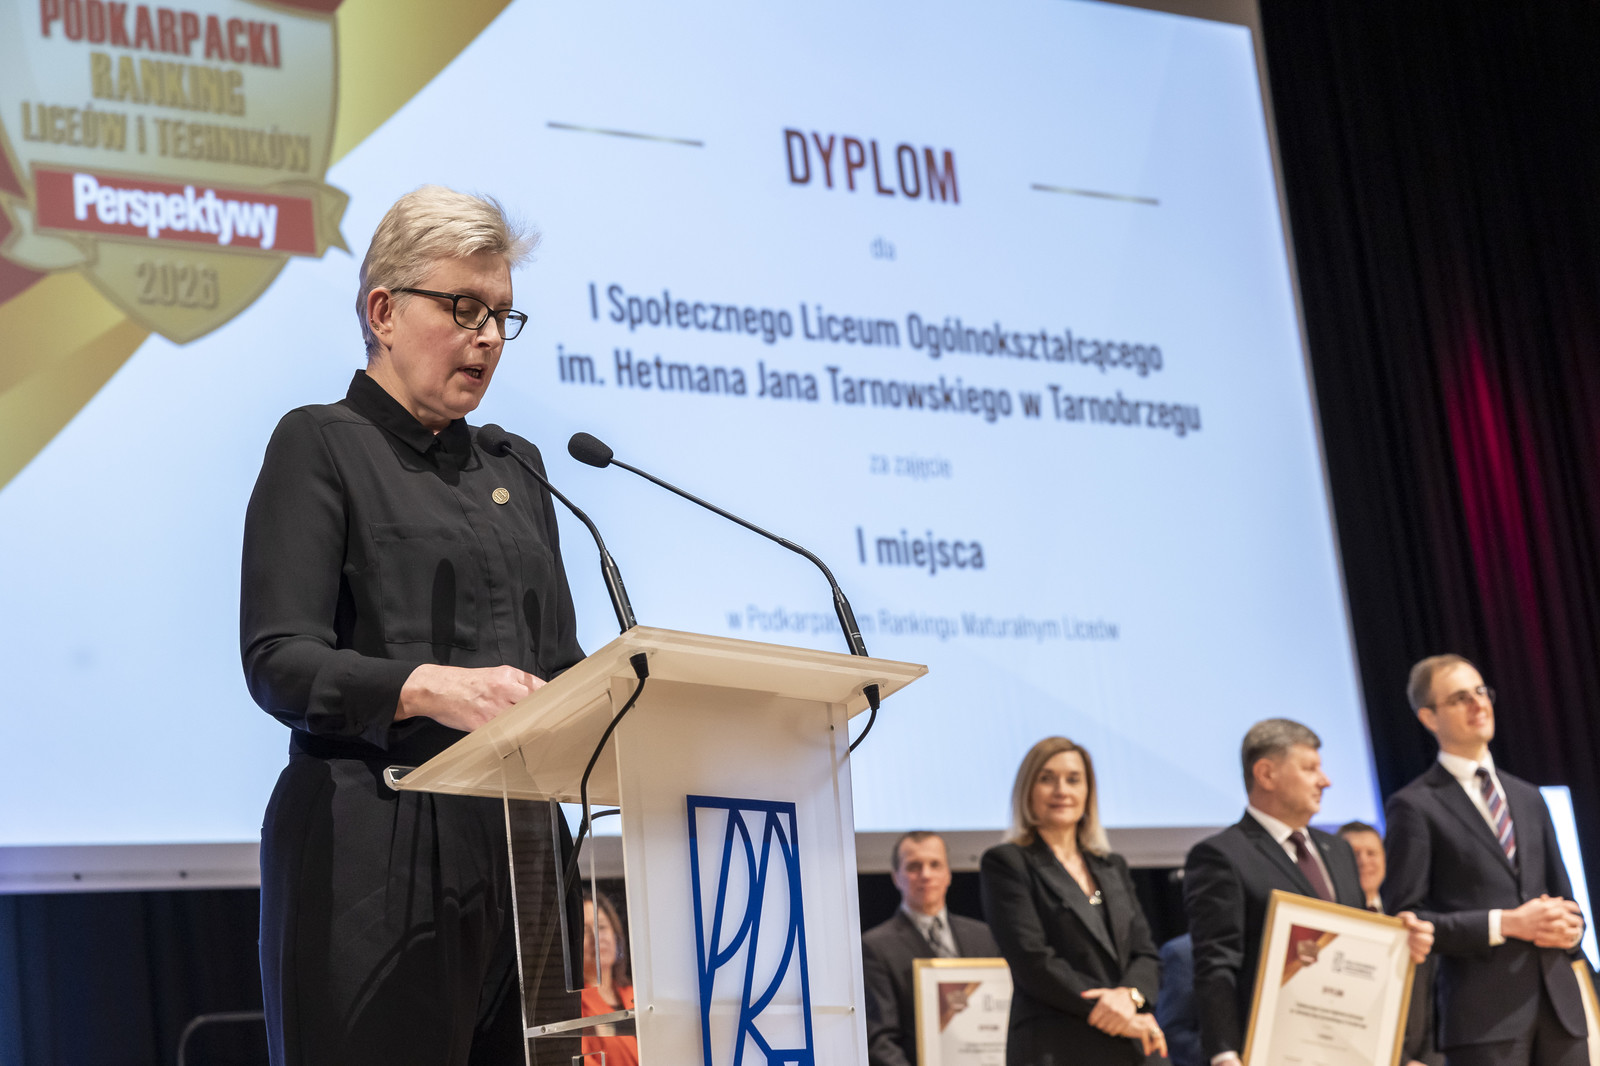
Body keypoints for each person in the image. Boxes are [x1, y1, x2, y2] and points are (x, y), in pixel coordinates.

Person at [242, 185, 583, 1066]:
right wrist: (424, 687)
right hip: (373, 853)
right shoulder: (320, 444)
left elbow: (561, 666)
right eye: (465, 308)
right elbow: (279, 660)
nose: (489, 336)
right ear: (383, 311)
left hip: (528, 865)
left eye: (502, 315)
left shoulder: (518, 469)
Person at [1184, 719, 1434, 1065]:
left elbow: (1355, 955)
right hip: (1271, 1053)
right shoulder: (1222, 855)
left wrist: (1402, 941)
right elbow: (1216, 964)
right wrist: (1225, 1055)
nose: (1325, 780)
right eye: (1310, 768)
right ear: (1266, 774)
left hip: (1348, 1050)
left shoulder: (1339, 851)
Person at [1384, 654, 1588, 1066]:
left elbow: (1564, 897)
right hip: (1483, 1020)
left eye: (1481, 691)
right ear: (1428, 717)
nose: (1478, 704)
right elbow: (1405, 918)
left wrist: (1572, 928)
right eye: (1460, 698)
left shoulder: (1528, 797)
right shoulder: (1415, 806)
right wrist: (1505, 923)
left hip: (1560, 1011)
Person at [981, 737, 1167, 1065]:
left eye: (1073, 779)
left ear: (1087, 792)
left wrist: (1130, 996)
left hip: (1132, 1042)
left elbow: (1145, 953)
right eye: (1047, 779)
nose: (1061, 790)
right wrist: (1111, 1012)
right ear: (1027, 790)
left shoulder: (1112, 866)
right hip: (1057, 1044)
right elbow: (1032, 960)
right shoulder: (1007, 862)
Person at [862, 831, 1001, 1066]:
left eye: (935, 865)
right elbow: (879, 1039)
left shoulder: (984, 937)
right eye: (914, 867)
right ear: (896, 877)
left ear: (948, 874)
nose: (926, 875)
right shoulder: (875, 946)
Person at [1340, 820, 1442, 1066]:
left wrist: (1428, 1060)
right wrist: (1401, 1061)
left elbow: (1436, 1003)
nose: (1364, 861)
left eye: (1372, 853)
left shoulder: (1411, 926)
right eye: (1355, 854)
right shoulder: (1330, 933)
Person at [580, 890, 639, 1066]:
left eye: (601, 927)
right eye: (584, 931)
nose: (596, 937)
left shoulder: (637, 995)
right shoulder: (573, 1008)